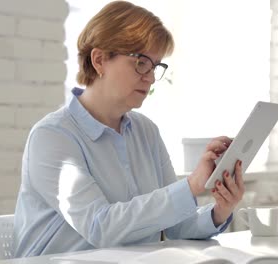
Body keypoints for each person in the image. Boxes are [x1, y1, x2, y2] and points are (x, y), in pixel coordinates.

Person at [13, 1, 245, 257]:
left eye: (156, 66)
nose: (150, 77)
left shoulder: (147, 131)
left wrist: (219, 211)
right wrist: (190, 186)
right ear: (99, 60)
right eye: (141, 62)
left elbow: (177, 225)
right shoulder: (52, 137)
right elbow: (99, 227)